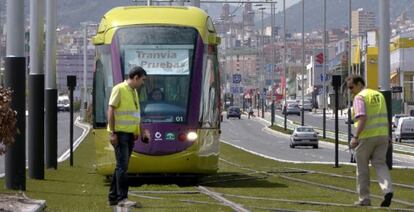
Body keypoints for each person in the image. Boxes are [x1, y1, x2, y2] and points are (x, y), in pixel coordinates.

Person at [346, 75, 393, 207]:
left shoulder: (360, 97)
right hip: (382, 136)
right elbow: (385, 117)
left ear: (359, 84)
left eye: (351, 87)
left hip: (366, 137)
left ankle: (364, 199)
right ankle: (387, 190)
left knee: (362, 168)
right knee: (380, 164)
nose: (350, 90)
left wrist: (355, 137)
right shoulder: (379, 95)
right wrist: (388, 135)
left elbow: (362, 118)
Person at [107, 66, 150, 207]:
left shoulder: (133, 92)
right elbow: (111, 110)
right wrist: (112, 133)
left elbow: (136, 115)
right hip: (120, 134)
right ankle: (122, 199)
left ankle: (113, 197)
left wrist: (141, 131)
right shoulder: (119, 89)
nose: (143, 83)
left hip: (130, 134)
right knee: (122, 167)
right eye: (142, 80)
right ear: (136, 77)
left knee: (121, 167)